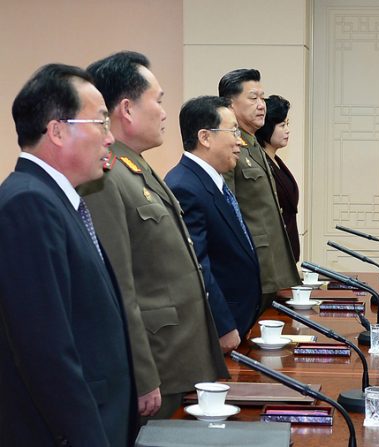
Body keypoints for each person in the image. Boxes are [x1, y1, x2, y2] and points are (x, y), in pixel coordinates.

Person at [79, 51, 228, 419]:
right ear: (127, 109)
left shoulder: (136, 167)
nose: (164, 112)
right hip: (156, 365)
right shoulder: (106, 178)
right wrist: (144, 375)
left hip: (179, 357)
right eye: (157, 101)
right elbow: (119, 286)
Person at [0, 63, 136, 446]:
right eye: (100, 123)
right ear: (58, 131)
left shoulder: (56, 201)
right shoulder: (28, 205)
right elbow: (46, 352)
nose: (110, 138)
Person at [165, 96, 262, 342]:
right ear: (205, 137)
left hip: (242, 318)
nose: (240, 141)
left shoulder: (211, 180)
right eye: (233, 131)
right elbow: (196, 266)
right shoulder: (184, 186)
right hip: (221, 327)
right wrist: (223, 327)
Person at [220, 69, 301, 309]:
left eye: (262, 98)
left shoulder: (253, 145)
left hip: (270, 265)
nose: (261, 105)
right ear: (230, 104)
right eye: (253, 98)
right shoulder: (230, 146)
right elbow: (229, 210)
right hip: (251, 264)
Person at [255, 95, 300, 261]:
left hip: (287, 248)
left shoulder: (276, 160)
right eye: (282, 125)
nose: (287, 130)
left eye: (287, 124)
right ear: (267, 128)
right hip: (273, 253)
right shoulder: (260, 161)